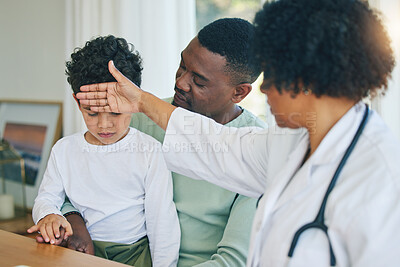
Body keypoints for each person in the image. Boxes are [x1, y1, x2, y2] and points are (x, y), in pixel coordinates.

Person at [76, 0, 400, 266]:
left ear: (307, 81)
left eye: (272, 74)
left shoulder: (382, 178)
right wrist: (142, 101)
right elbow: (217, 146)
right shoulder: (292, 142)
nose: (264, 87)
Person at [57, 18, 266, 267]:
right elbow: (74, 184)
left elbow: (233, 261)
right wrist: (73, 219)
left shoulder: (258, 154)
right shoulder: (135, 119)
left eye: (199, 81)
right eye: (182, 66)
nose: (180, 82)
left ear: (239, 92)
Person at [28, 35, 180, 267]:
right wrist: (48, 214)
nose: (104, 125)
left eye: (115, 113)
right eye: (92, 113)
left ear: (133, 102)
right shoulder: (64, 150)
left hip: (135, 254)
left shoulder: (150, 151)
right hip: (82, 252)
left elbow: (162, 222)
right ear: (78, 103)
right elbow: (47, 197)